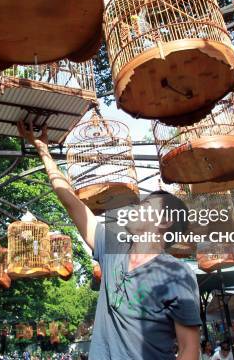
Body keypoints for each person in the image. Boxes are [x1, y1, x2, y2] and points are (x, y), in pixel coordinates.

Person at [20, 121, 201, 360]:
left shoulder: (177, 273)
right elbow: (72, 203)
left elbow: (189, 349)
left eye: (146, 205)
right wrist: (42, 149)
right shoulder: (113, 247)